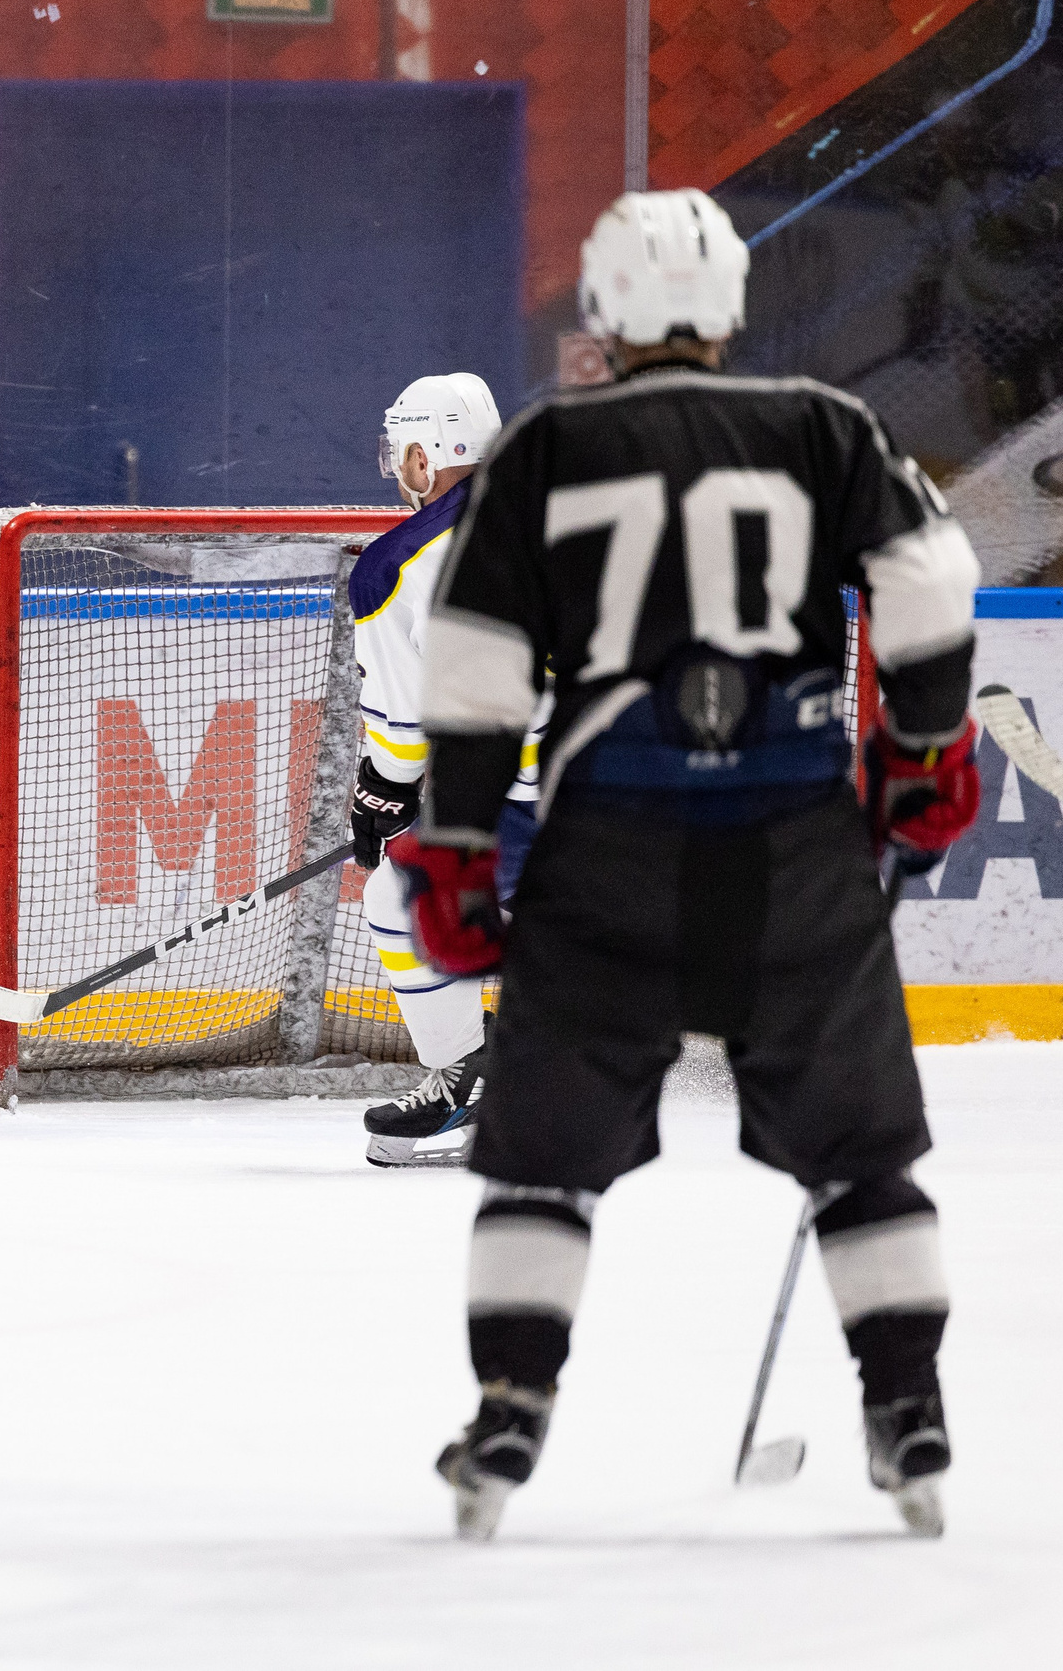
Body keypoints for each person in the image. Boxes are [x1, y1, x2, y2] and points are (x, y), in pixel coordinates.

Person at [390, 190, 981, 1539]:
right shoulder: (826, 427)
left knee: (541, 1163)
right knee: (862, 1159)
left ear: (603, 308)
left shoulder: (542, 451)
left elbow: (476, 673)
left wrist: (466, 844)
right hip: (796, 846)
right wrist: (922, 753)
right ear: (728, 307)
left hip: (611, 855)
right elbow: (932, 589)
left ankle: (509, 1412)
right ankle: (910, 1409)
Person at [344, 372, 544, 1168]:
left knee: (400, 892)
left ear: (427, 456)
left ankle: (472, 1085)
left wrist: (380, 796)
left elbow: (398, 744)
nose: (398, 468)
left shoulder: (401, 564)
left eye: (402, 451)